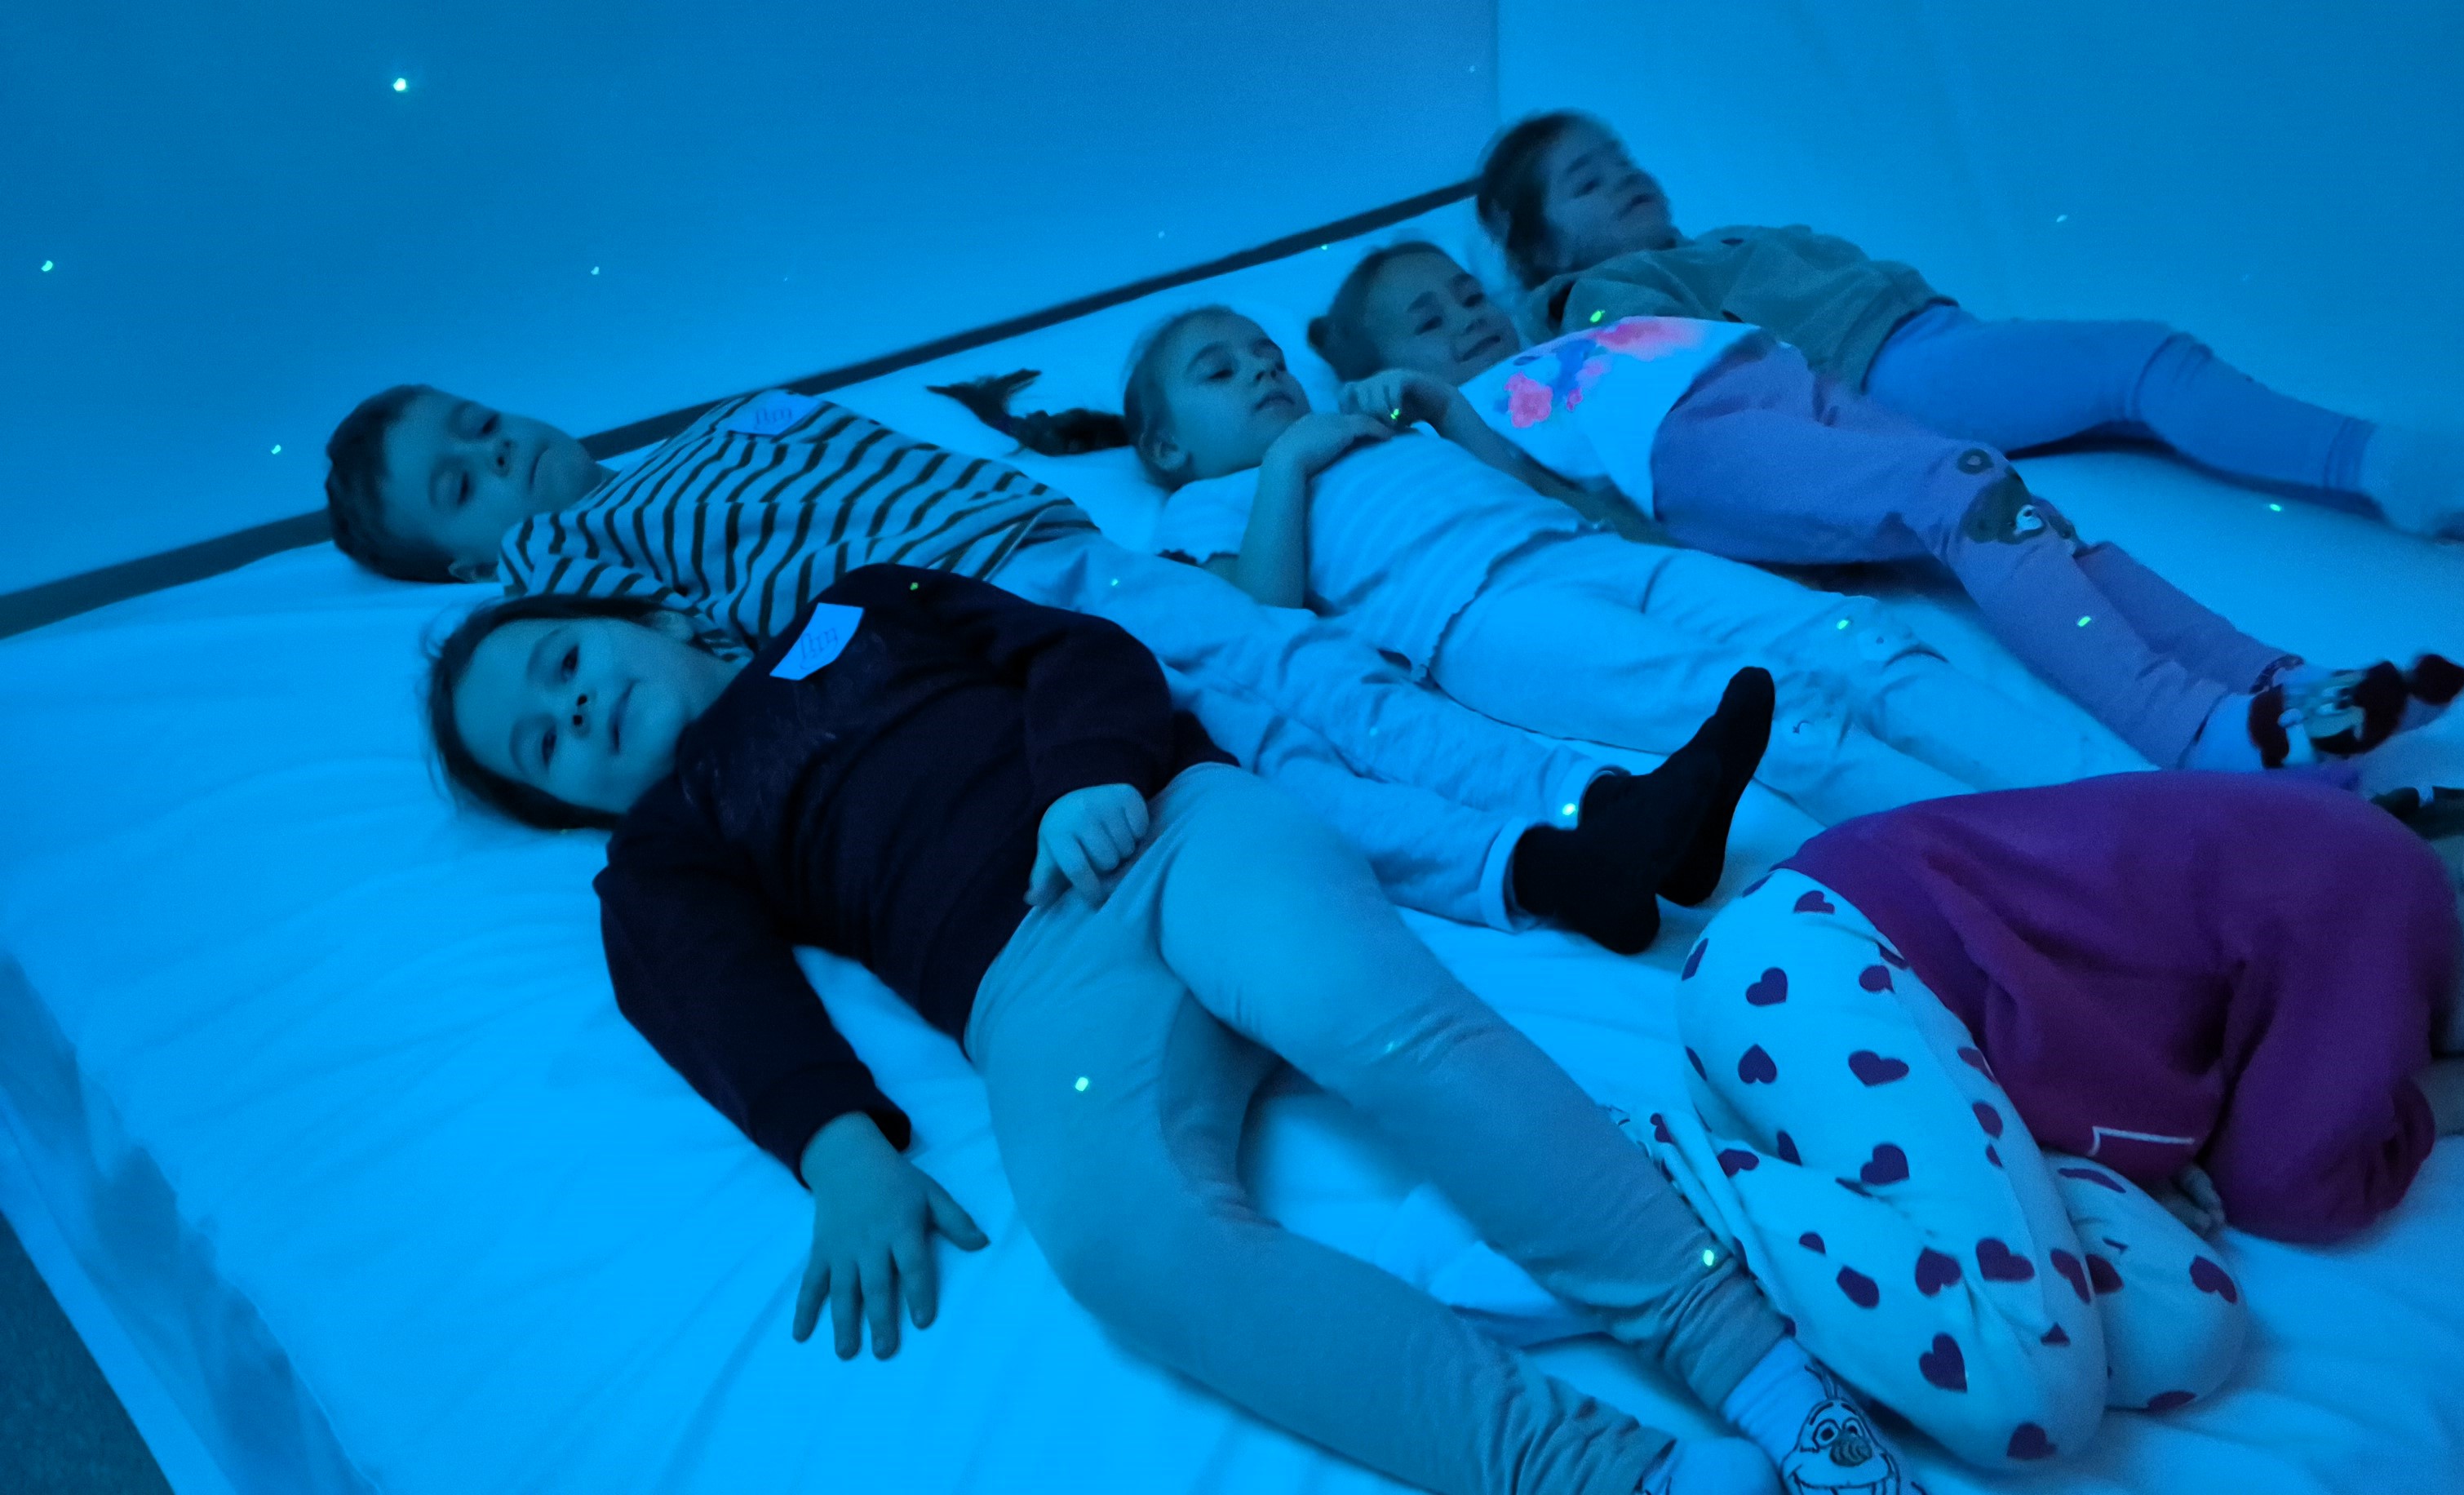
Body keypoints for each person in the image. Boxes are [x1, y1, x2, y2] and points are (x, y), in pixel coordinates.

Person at [423, 564, 1905, 1495]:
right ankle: (1603, 1476)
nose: (577, 711)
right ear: (571, 810)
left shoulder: (860, 605)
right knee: (1120, 1246)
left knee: (1362, 1017)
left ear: (655, 613)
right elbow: (701, 984)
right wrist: (836, 1145)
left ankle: (1757, 1368)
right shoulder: (673, 837)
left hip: (1167, 830)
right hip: (1029, 988)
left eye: (563, 664)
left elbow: (1074, 651)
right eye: (543, 748)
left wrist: (1088, 769)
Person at [319, 382, 1756, 948]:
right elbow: (638, 677)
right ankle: (1545, 858)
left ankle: (1602, 802)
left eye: (479, 424)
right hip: (968, 628)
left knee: (1316, 675)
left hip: (1054, 549)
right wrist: (522, 564)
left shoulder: (706, 427)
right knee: (1268, 745)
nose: (498, 455)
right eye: (461, 486)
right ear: (463, 565)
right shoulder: (567, 572)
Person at [1621, 772, 2464, 1466]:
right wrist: (2443, 1103)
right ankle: (1640, 1177)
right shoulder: (2389, 888)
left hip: (1903, 1043)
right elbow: (2288, 1180)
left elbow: (2229, 1114)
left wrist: (2145, 1147)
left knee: (2186, 1326)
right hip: (1834, 958)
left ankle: (1768, 1194)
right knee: (2028, 1388)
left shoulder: (2323, 911)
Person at [1306, 240, 2464, 770]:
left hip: (1781, 385)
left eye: (1462, 290)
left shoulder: (1567, 332)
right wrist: (1424, 402)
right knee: (1959, 494)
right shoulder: (1473, 416)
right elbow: (1547, 507)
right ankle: (2193, 731)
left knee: (2027, 520)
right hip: (1690, 450)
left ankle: (2279, 682)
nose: (1465, 316)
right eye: (1427, 321)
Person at [1475, 111, 2464, 543]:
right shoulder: (1599, 298)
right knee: (2143, 362)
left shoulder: (1704, 243)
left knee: (2141, 406)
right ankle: (2398, 468)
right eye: (1586, 182)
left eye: (1620, 157)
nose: (1623, 177)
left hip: (1922, 342)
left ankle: (2398, 481)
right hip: (1888, 373)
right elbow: (1683, 382)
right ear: (1539, 245)